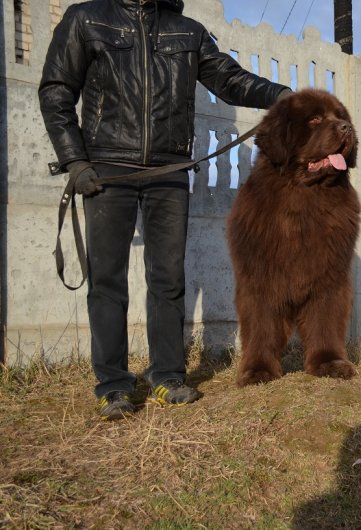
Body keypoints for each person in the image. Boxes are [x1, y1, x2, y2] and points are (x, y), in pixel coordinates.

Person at [39, 0, 291, 420]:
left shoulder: (186, 30)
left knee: (168, 279)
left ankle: (168, 378)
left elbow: (229, 79)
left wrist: (280, 97)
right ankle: (113, 386)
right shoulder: (86, 18)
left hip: (170, 168)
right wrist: (74, 160)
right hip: (107, 167)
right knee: (106, 281)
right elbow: (57, 90)